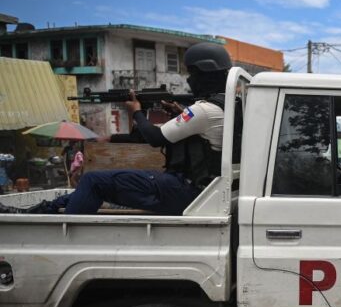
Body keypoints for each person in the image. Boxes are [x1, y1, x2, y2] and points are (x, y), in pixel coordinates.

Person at [0, 42, 232, 215]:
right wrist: (176, 112)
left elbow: (154, 138)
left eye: (192, 73)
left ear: (202, 73)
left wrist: (135, 110)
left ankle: (65, 233)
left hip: (186, 190)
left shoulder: (203, 110)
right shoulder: (227, 106)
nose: (190, 79)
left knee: (93, 181)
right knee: (95, 186)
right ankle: (41, 210)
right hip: (201, 189)